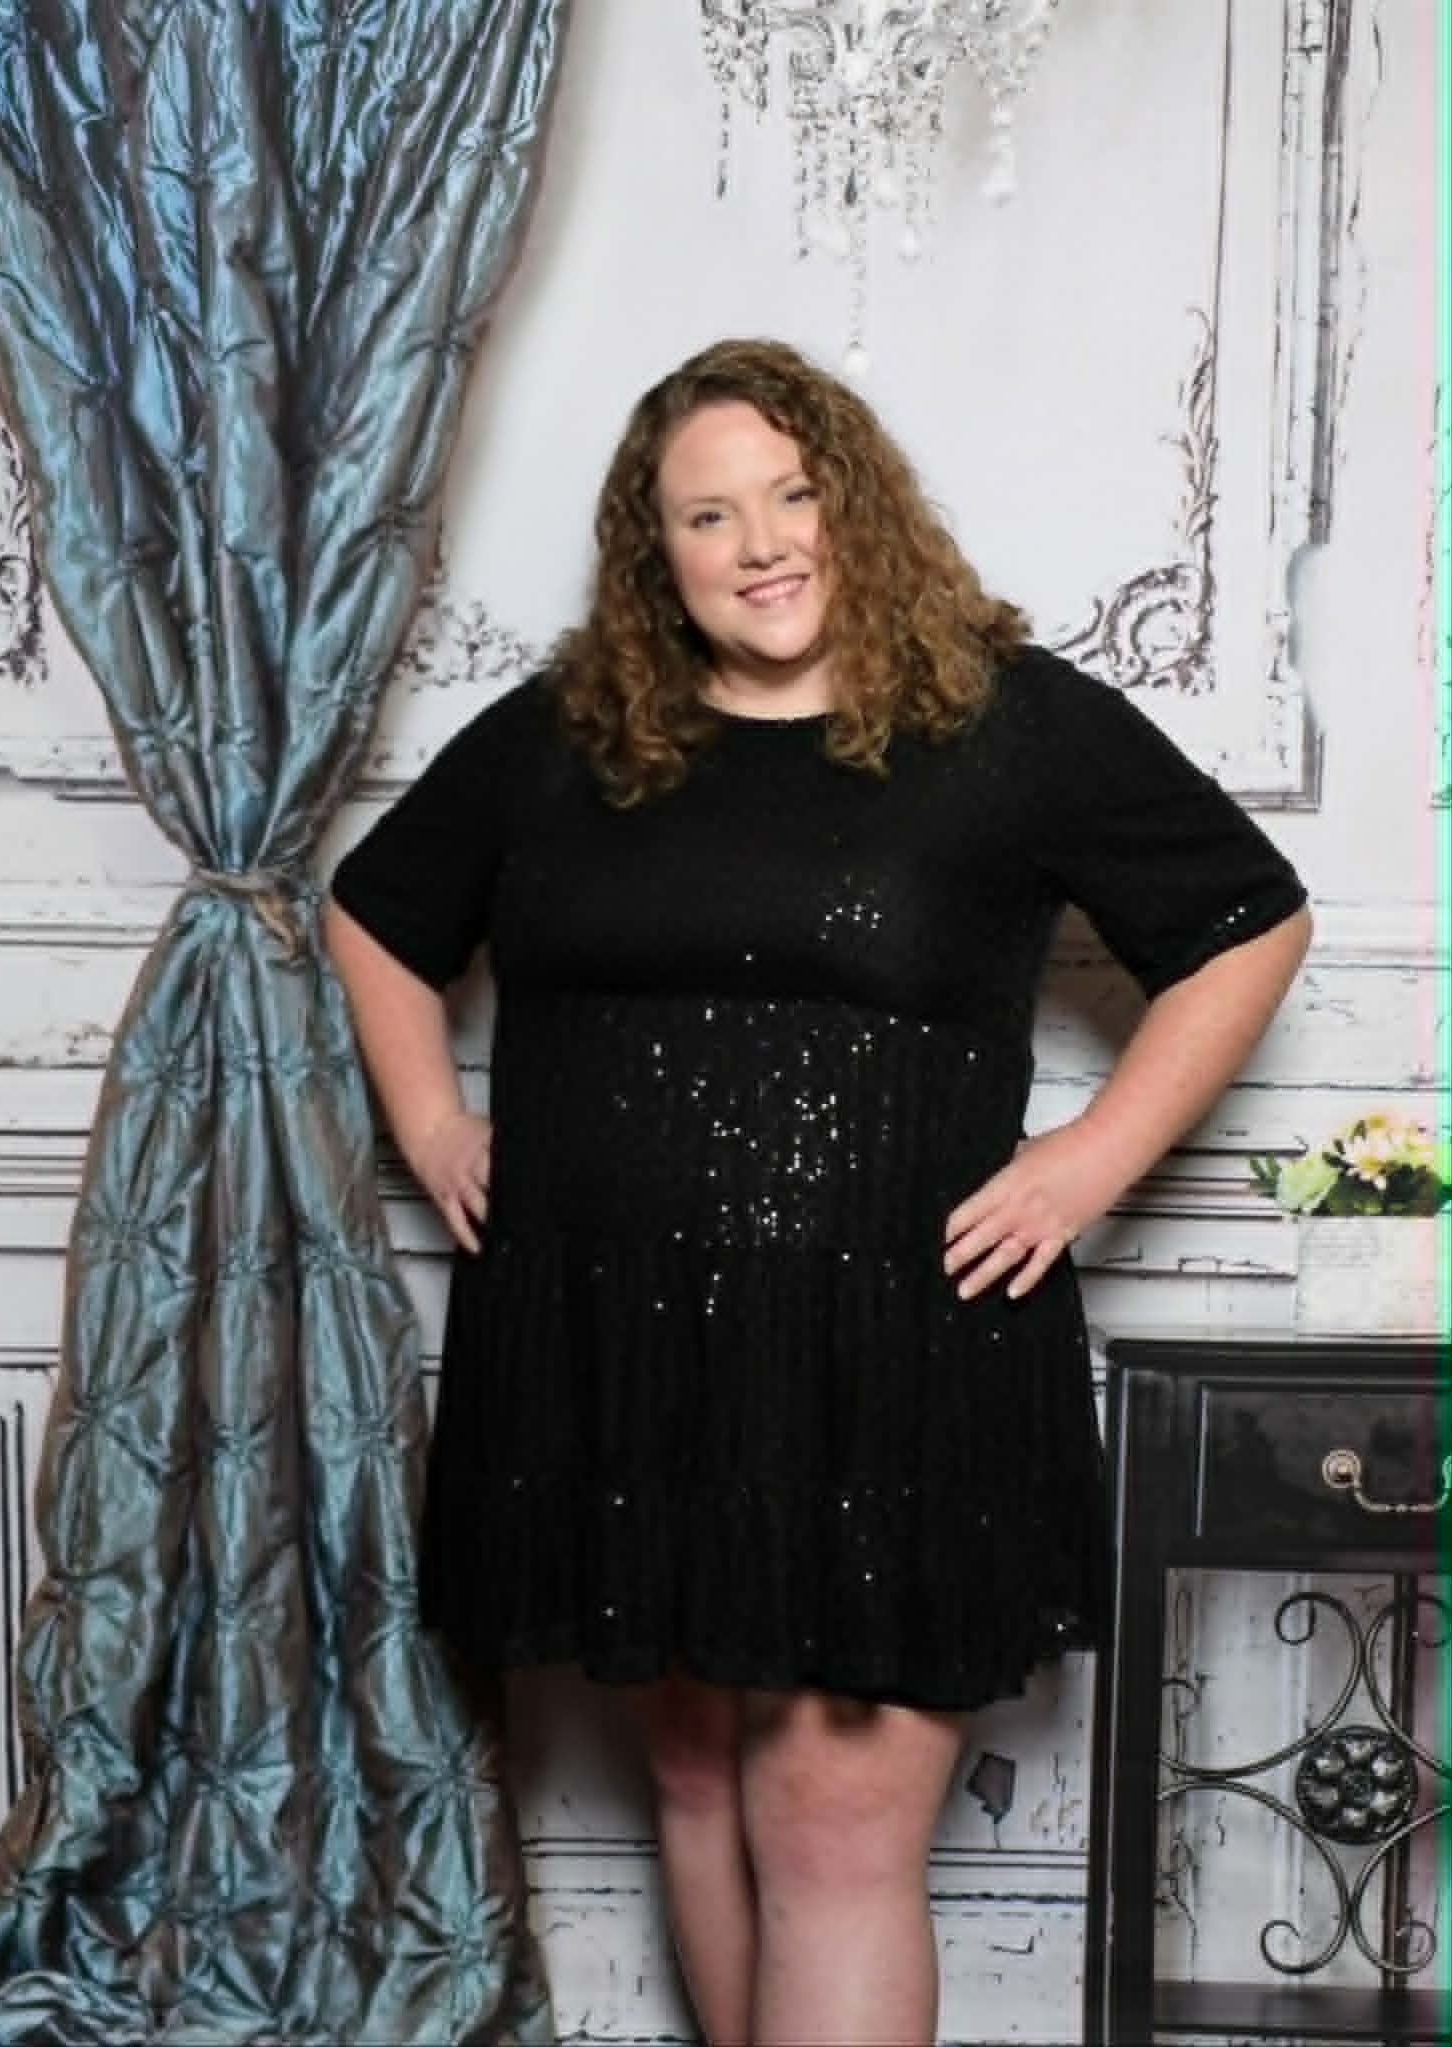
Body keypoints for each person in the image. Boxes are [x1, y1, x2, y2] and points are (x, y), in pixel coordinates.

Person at [325, 337, 1311, 2047]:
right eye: (708, 515)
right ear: (660, 556)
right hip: (618, 1358)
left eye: (791, 495)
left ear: (854, 509)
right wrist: (428, 1122)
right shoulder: (571, 734)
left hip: (891, 1359)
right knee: (696, 1778)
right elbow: (375, 910)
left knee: (832, 1823)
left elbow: (1247, 919)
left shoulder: (1003, 723)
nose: (760, 541)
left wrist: (1088, 1160)